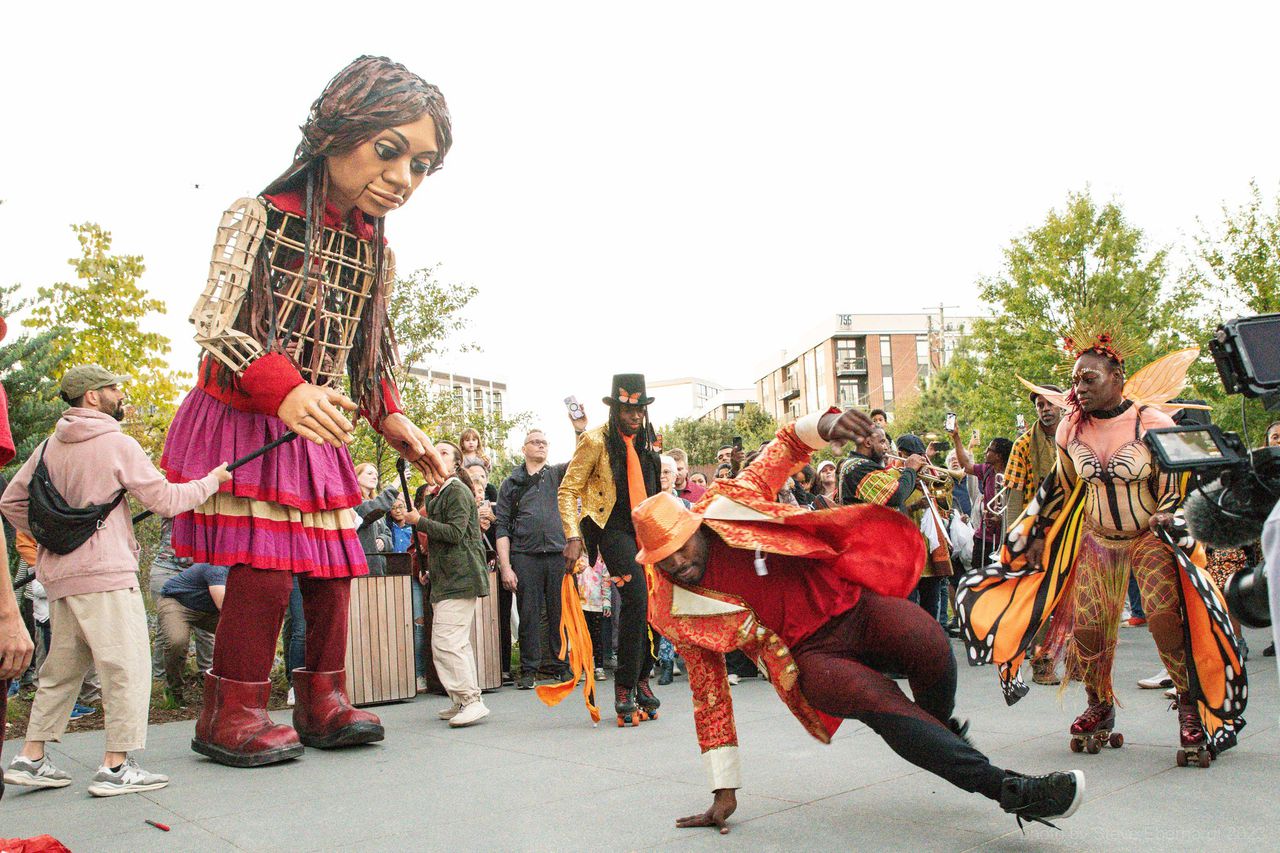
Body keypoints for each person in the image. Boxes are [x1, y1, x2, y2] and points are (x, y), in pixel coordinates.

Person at [159, 56, 451, 767]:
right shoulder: (256, 215)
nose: (403, 179)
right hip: (250, 413)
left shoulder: (375, 251)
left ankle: (321, 697)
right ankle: (232, 710)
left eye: (421, 165)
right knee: (262, 563)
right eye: (390, 151)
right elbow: (214, 321)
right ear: (336, 131)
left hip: (317, 426)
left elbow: (370, 352)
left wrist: (392, 417)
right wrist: (284, 388)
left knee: (334, 566)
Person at [633, 407, 1085, 833]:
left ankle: (938, 733)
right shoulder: (673, 608)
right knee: (888, 707)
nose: (674, 565)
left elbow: (787, 444)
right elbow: (709, 696)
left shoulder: (728, 499)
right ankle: (1010, 790)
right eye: (661, 560)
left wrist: (828, 423)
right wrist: (723, 789)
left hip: (852, 606)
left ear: (694, 526)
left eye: (679, 550)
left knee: (929, 642)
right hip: (808, 659)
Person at [960, 334, 1245, 763]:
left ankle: (1188, 706)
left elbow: (1175, 488)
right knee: (1089, 628)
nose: (1079, 388)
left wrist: (1170, 516)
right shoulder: (1071, 427)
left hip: (1149, 537)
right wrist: (1034, 530)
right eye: (1075, 380)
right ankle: (1100, 704)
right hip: (1097, 537)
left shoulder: (1151, 423)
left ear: (1118, 377)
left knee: (1165, 618)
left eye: (1089, 378)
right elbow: (1060, 484)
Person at [1, 365, 230, 796]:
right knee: (128, 666)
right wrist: (211, 482)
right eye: (113, 388)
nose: (120, 394)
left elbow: (12, 501)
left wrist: (55, 533)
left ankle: (30, 757)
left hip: (61, 576)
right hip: (106, 574)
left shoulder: (48, 448)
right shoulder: (116, 444)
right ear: (92, 397)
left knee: (62, 670)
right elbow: (165, 501)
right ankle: (116, 766)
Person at [559, 374, 661, 726]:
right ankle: (624, 685)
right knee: (635, 597)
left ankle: (643, 678)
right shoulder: (595, 441)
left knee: (654, 598)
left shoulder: (648, 443)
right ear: (616, 408)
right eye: (628, 409)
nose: (634, 416)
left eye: (639, 410)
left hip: (647, 529)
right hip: (613, 529)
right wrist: (573, 536)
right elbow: (567, 490)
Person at [402, 441, 491, 727]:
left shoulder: (456, 490)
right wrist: (428, 569)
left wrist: (419, 521)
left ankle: (470, 700)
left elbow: (454, 533)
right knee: (454, 642)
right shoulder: (440, 493)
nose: (434, 453)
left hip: (460, 577)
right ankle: (462, 698)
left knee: (447, 641)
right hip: (448, 578)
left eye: (443, 452)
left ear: (454, 464)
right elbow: (444, 542)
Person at [495, 429, 575, 689]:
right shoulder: (511, 483)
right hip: (524, 555)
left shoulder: (557, 475)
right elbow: (502, 526)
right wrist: (506, 566)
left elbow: (582, 458)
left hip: (556, 554)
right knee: (527, 613)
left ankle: (561, 665)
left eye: (544, 442)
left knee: (558, 613)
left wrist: (577, 429)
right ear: (524, 448)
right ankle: (529, 669)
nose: (541, 446)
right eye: (535, 442)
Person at [1003, 385, 1065, 685]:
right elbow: (1014, 496)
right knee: (1041, 598)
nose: (1045, 409)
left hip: (1075, 528)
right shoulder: (1024, 444)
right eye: (1040, 404)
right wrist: (1016, 539)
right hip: (1038, 533)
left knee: (1075, 597)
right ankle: (1042, 663)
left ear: (1064, 405)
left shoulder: (1077, 437)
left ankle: (1082, 662)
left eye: (1050, 403)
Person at [157, 562, 228, 701]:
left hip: (207, 610)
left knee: (241, 636)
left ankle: (231, 689)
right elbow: (222, 604)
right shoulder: (218, 566)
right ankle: (174, 690)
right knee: (177, 641)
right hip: (178, 603)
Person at [948, 425, 1012, 570]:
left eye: (989, 450)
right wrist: (956, 437)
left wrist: (1002, 518)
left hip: (1003, 536)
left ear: (999, 456)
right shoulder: (987, 469)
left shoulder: (1012, 474)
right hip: (983, 536)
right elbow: (965, 465)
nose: (985, 451)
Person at [839, 425, 925, 509]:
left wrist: (912, 482)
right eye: (882, 442)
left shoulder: (856, 464)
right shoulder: (861, 467)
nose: (886, 448)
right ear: (868, 442)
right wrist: (910, 469)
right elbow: (895, 497)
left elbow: (890, 502)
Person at [353, 462, 399, 577]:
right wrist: (396, 483)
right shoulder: (354, 504)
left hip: (378, 570)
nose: (374, 477)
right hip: (360, 572)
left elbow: (388, 535)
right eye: (369, 473)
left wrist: (383, 540)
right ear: (356, 477)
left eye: (376, 475)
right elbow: (374, 508)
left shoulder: (374, 505)